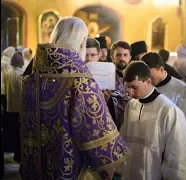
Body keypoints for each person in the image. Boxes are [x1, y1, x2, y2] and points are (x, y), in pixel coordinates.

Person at [20, 16, 130, 180]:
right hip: (71, 169)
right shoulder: (81, 81)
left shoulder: (32, 76)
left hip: (35, 167)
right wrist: (107, 169)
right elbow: (97, 137)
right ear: (82, 41)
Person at [117, 61, 186, 180]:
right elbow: (123, 141)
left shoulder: (168, 110)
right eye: (127, 87)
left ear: (148, 81)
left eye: (134, 87)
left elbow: (177, 153)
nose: (130, 92)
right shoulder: (131, 106)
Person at [140, 52, 186, 125]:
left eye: (150, 75)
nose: (147, 80)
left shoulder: (181, 89)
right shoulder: (144, 86)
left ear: (161, 69)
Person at [102, 41, 132, 130]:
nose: (122, 58)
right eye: (118, 55)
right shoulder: (105, 77)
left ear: (130, 57)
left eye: (125, 55)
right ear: (112, 57)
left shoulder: (135, 77)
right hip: (110, 125)